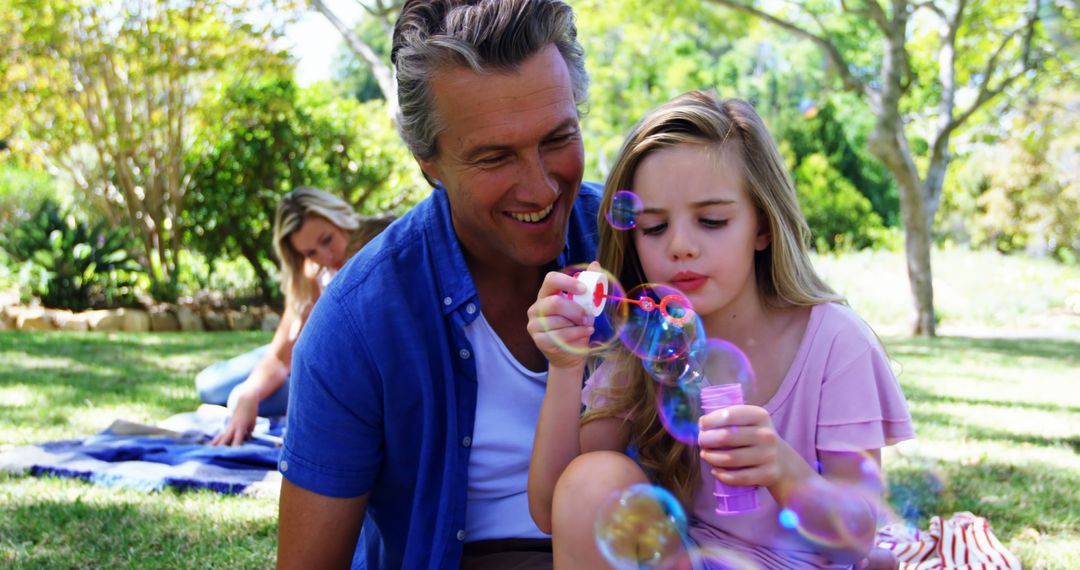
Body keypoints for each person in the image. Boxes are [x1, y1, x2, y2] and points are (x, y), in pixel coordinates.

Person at [527, 91, 914, 568]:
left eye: (711, 221)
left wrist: (783, 468)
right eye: (653, 228)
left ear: (762, 226)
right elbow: (556, 510)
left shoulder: (834, 343)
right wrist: (565, 364)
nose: (681, 246)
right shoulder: (651, 341)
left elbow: (854, 535)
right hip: (695, 557)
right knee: (593, 477)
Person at [275, 1, 601, 568]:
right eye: (495, 157)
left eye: (557, 138)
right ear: (428, 162)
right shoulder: (357, 324)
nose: (542, 188)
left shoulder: (648, 244)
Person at [194, 187, 391, 446]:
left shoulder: (383, 242)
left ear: (338, 218)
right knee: (210, 385)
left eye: (326, 240)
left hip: (356, 376)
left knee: (251, 395)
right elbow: (282, 354)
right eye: (310, 252)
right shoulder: (313, 273)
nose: (326, 257)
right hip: (308, 360)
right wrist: (249, 393)